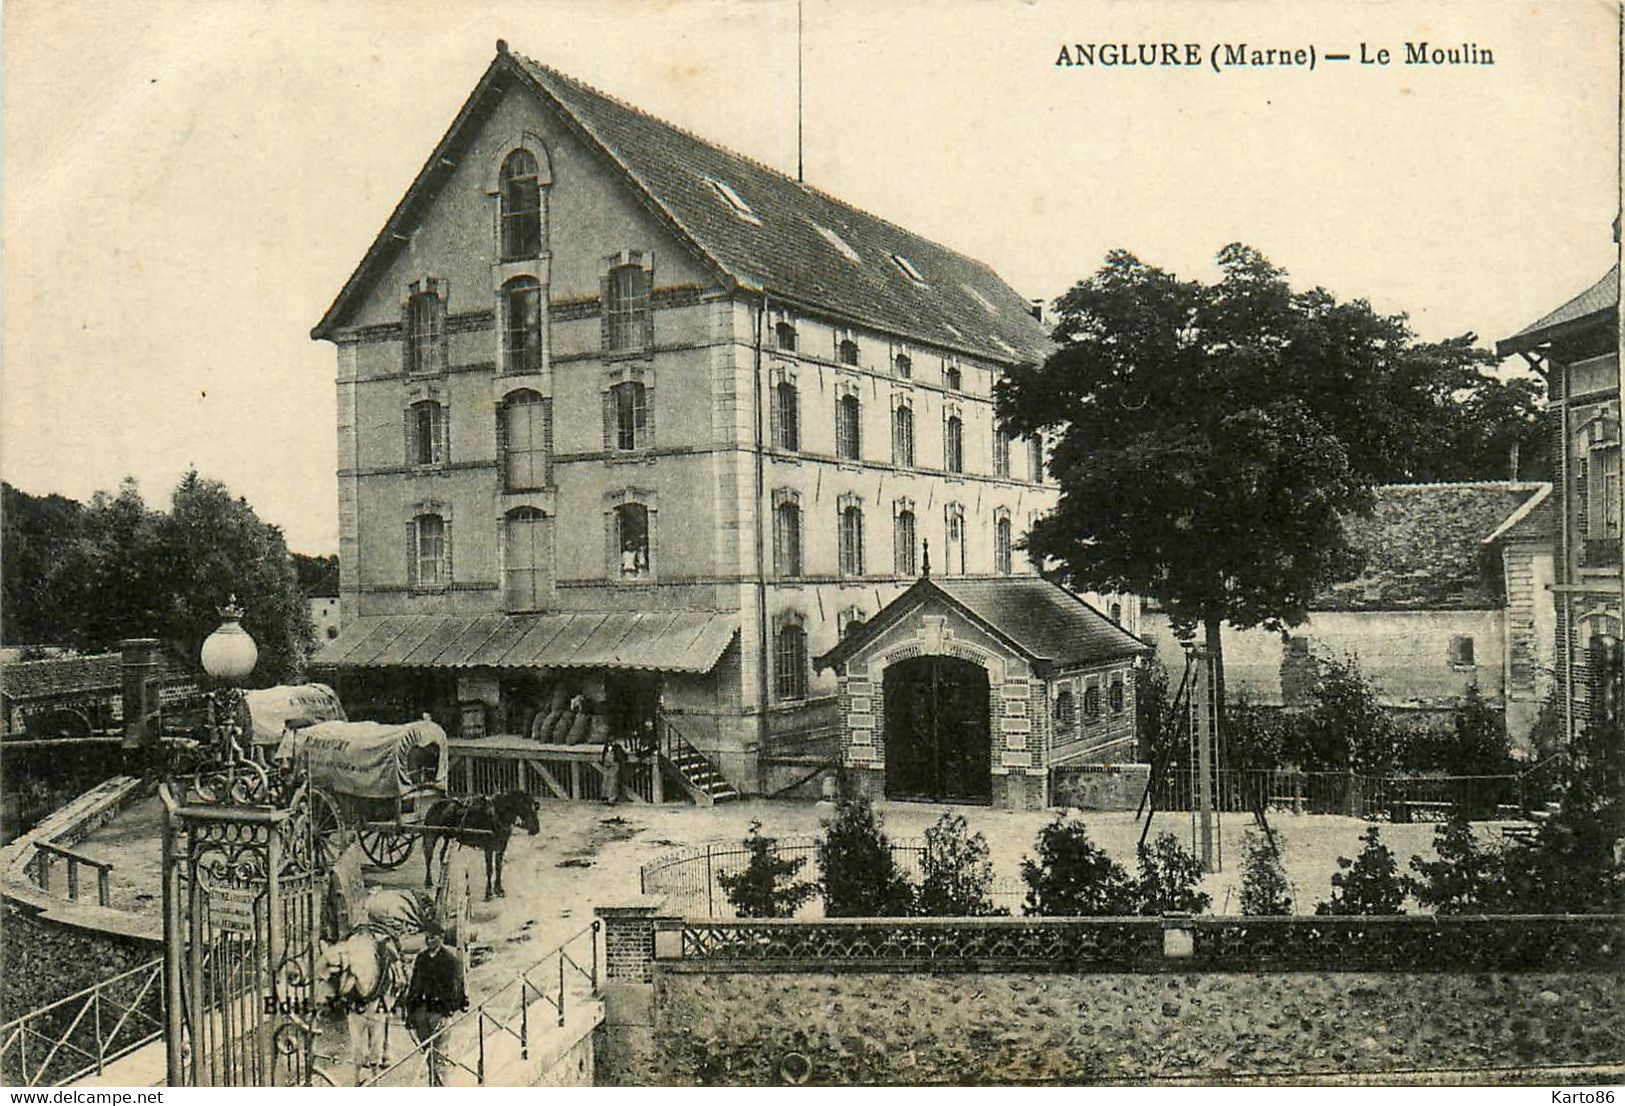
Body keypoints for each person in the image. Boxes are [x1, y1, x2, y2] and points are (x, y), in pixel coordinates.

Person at [402, 922, 466, 1086]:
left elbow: (454, 988)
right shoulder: (421, 958)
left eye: (433, 937)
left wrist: (447, 1010)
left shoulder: (449, 960)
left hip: (439, 1013)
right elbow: (414, 986)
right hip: (421, 1013)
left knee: (440, 1055)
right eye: (427, 937)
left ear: (441, 938)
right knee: (427, 1056)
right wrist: (409, 1013)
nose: (429, 940)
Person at [600, 736, 630, 804]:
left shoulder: (617, 747)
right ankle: (605, 797)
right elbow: (603, 756)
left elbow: (622, 756)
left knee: (613, 781)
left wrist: (620, 762)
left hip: (614, 765)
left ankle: (611, 799)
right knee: (605, 781)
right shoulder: (605, 747)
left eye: (612, 741)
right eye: (609, 741)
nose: (611, 742)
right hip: (606, 765)